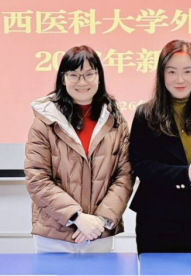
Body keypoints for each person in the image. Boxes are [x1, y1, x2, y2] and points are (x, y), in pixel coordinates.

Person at [24, 45, 133, 253]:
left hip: (99, 233)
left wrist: (100, 220)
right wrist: (76, 217)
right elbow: (36, 177)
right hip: (54, 236)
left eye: (89, 74)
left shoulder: (116, 121)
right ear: (63, 79)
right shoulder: (45, 121)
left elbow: (125, 176)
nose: (82, 82)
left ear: (99, 77)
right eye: (74, 75)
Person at [129, 40, 191, 254]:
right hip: (157, 219)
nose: (180, 79)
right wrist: (184, 174)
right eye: (172, 72)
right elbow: (140, 165)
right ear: (161, 74)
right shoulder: (145, 115)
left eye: (187, 71)